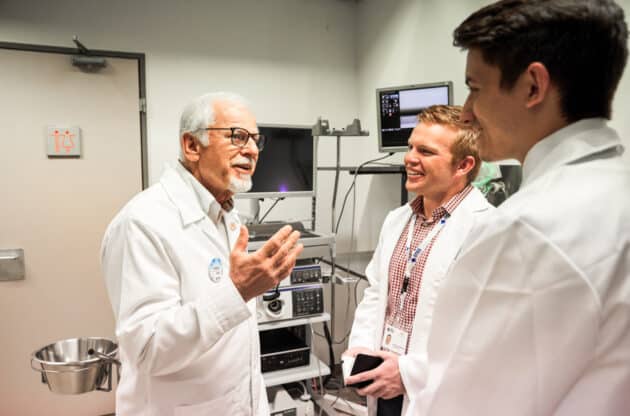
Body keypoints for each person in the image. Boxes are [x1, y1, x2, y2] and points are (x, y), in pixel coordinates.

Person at [413, 1, 630, 415]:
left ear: (533, 85)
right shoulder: (617, 191)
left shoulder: (525, 230)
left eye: (475, 87)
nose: (467, 111)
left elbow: (462, 405)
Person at [101, 92, 303, 415]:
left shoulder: (226, 214)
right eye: (238, 136)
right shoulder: (142, 222)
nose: (251, 149)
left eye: (255, 140)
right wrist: (237, 291)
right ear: (192, 146)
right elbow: (147, 347)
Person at [343, 105, 494, 416]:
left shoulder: (489, 230)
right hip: (384, 375)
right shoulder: (397, 220)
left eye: (425, 151)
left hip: (438, 391)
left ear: (463, 164)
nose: (410, 158)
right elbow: (376, 294)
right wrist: (360, 350)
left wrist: (411, 373)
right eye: (410, 147)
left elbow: (487, 334)